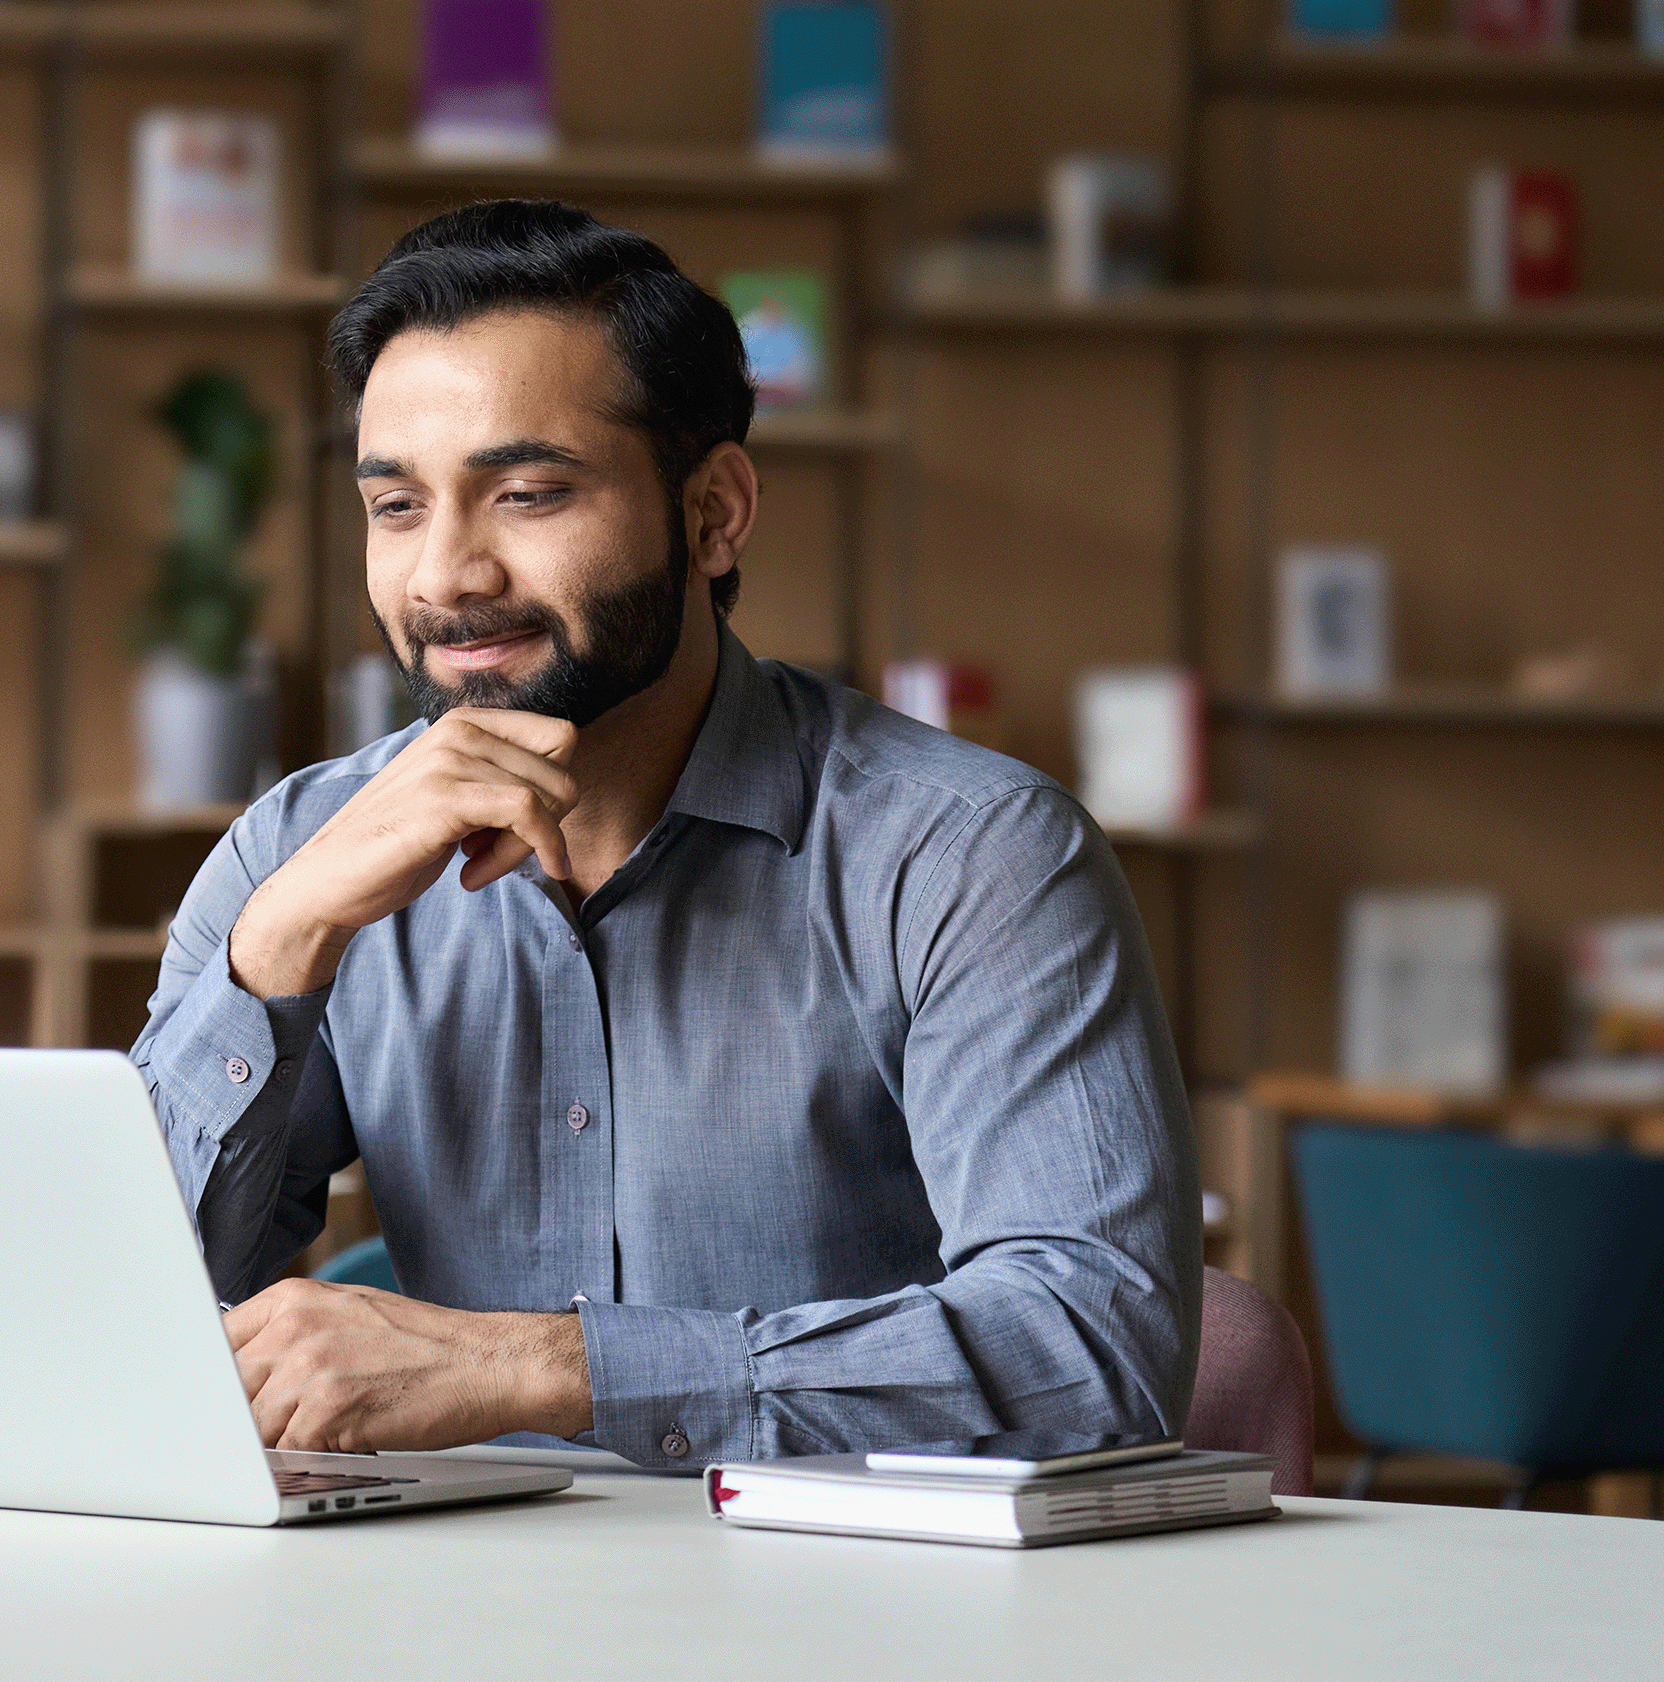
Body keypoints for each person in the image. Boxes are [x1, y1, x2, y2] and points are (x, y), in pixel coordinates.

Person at [128, 199, 1200, 1472]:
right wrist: (280, 950)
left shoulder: (972, 855)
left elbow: (1095, 1350)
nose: (444, 577)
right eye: (397, 505)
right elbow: (104, 1327)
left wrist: (548, 1366)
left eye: (525, 492)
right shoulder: (293, 855)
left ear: (713, 513)